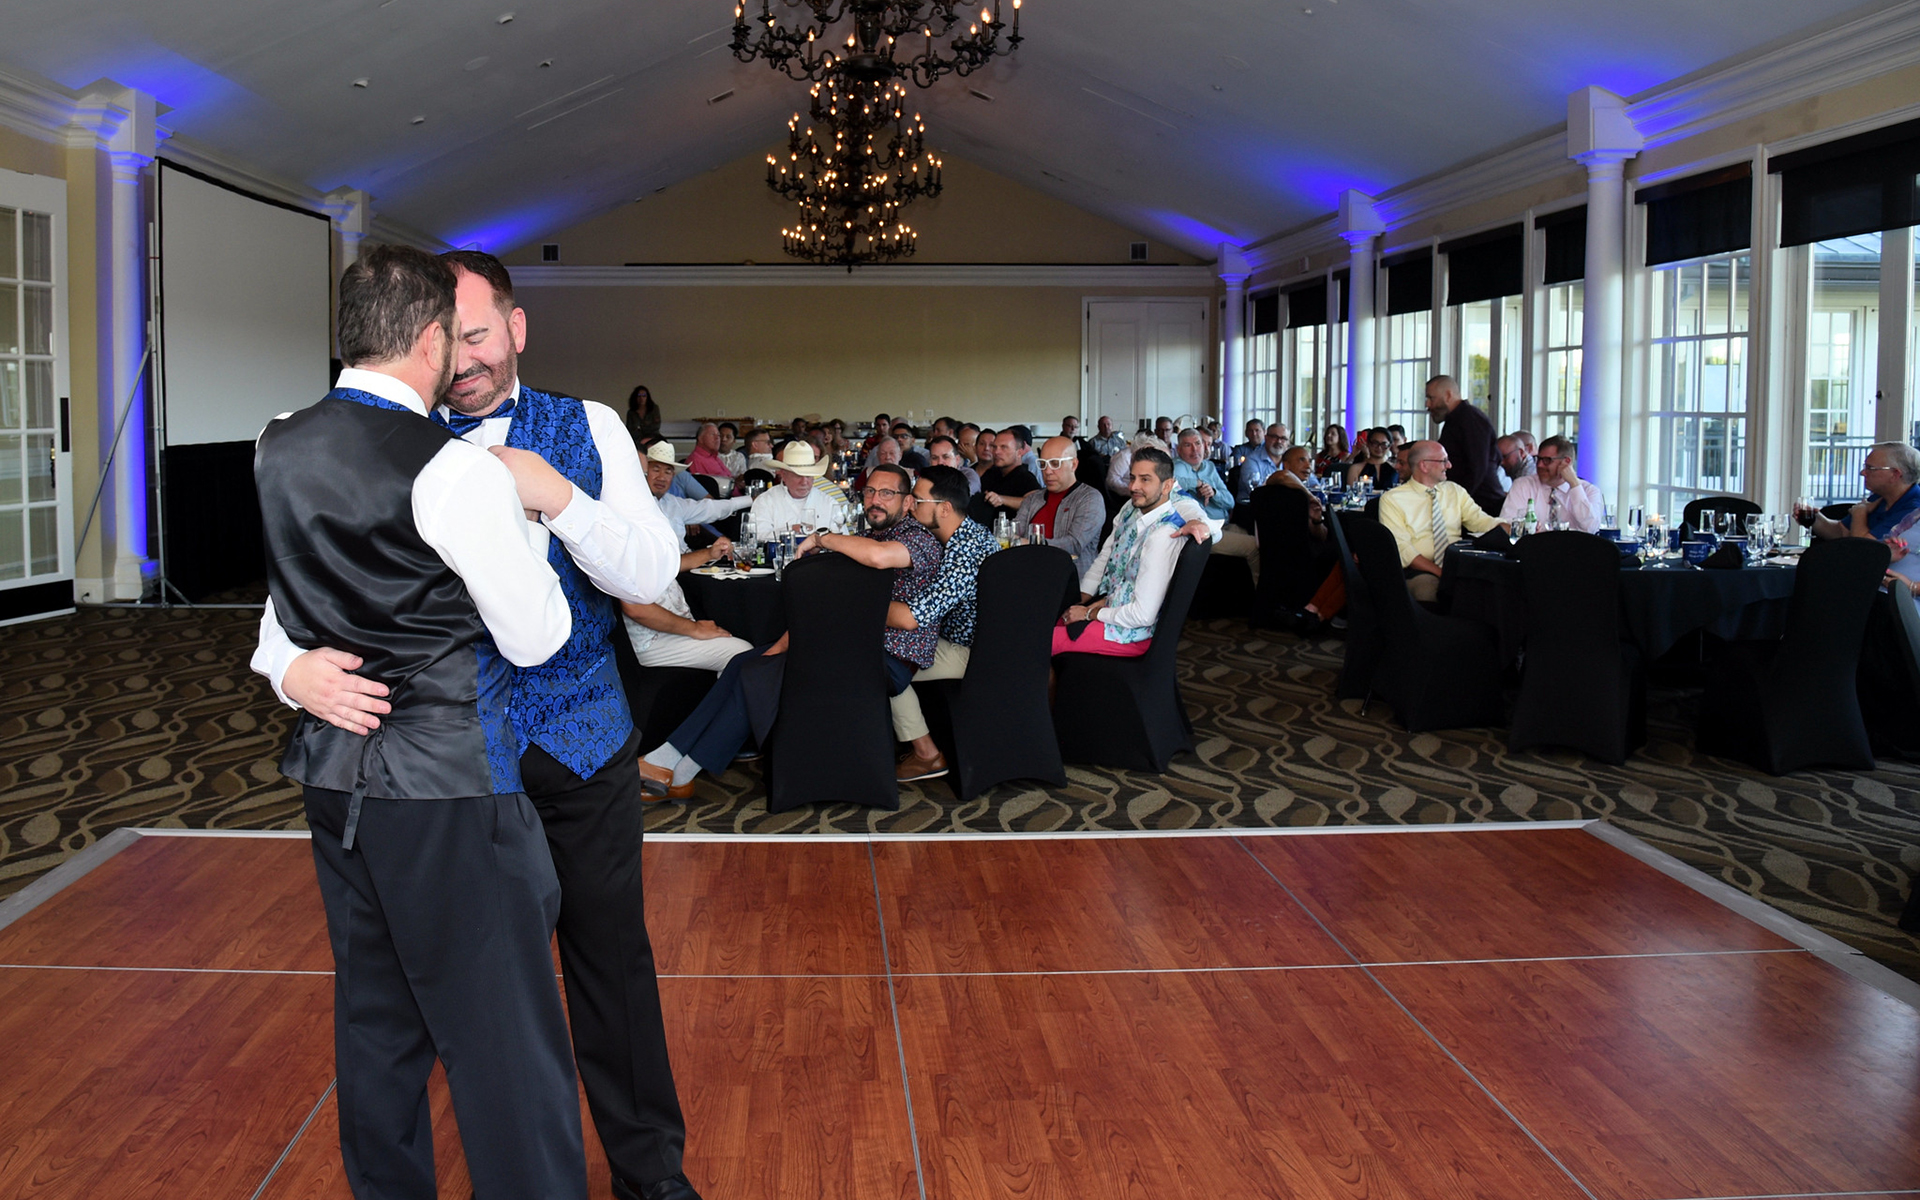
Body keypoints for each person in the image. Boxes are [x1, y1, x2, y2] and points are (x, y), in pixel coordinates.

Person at [260, 250, 703, 1200]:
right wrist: (287, 668)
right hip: (446, 774)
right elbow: (292, 600)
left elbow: (651, 574)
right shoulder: (389, 436)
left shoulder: (588, 426)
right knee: (453, 1006)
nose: (464, 361)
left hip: (576, 743)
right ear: (420, 338)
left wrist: (560, 499)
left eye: (478, 335)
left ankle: (651, 1176)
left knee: (609, 968)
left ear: (515, 326)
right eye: (449, 340)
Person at [638, 463, 942, 793]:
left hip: (889, 657)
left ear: (907, 502)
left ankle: (676, 767)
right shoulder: (869, 536)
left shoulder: (918, 539)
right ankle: (673, 763)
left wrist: (823, 538)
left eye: (886, 493)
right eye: (869, 491)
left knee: (760, 672)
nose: (875, 500)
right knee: (744, 663)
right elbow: (834, 602)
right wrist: (786, 642)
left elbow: (879, 559)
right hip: (851, 644)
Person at [1056, 447, 1194, 657]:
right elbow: (1110, 561)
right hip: (1115, 614)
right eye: (1132, 478)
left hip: (1131, 634)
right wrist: (1087, 603)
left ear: (1167, 486)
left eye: (1145, 479)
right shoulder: (1134, 512)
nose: (1133, 486)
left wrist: (1089, 613)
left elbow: (1142, 615)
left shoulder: (1162, 535)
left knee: (1038, 642)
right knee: (1046, 623)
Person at [1380, 440, 1507, 603]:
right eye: (1443, 461)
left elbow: (1480, 521)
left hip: (1458, 564)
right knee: (1430, 590)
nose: (1449, 465)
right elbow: (1403, 550)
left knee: (1496, 587)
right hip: (1418, 569)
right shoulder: (1393, 499)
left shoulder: (1454, 491)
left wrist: (1510, 527)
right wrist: (1443, 573)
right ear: (1424, 465)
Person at [1016, 436, 1106, 573]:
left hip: (1071, 577)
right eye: (1043, 464)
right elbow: (1014, 533)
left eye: (1055, 463)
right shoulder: (1033, 499)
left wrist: (1032, 543)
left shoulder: (1090, 498)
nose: (1047, 471)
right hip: (1028, 572)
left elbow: (1074, 544)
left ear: (1073, 464)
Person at [1801, 442, 1920, 541]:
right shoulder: (1879, 497)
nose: (1862, 473)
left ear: (1895, 474)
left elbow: (1862, 550)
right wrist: (1815, 518)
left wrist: (1859, 513)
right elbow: (1842, 532)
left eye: (1870, 468)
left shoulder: (1914, 509)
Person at [1425, 374, 1504, 516]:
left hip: (1482, 507)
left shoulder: (1470, 419)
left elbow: (1477, 468)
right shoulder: (1457, 421)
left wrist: (1457, 503)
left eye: (1431, 398)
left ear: (1448, 395)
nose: (1427, 405)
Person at [1501, 434, 1602, 532]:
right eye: (1538, 459)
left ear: (1566, 462)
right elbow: (1507, 524)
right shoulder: (1523, 485)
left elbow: (1591, 528)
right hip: (1532, 543)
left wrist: (1574, 484)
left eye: (1547, 460)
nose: (1539, 465)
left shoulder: (1590, 491)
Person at [751, 441, 842, 533]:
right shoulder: (765, 501)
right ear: (783, 475)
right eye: (798, 476)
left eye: (808, 476)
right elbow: (757, 535)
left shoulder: (829, 503)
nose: (804, 482)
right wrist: (789, 530)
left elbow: (841, 536)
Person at [979, 428, 1042, 517]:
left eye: (1004, 447)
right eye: (994, 447)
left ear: (1019, 452)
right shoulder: (990, 474)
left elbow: (1035, 504)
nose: (996, 452)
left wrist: (1002, 499)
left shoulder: (1026, 478)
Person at [1173, 428, 1232, 523]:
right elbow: (1171, 484)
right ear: (1179, 450)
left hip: (1224, 523)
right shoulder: (1178, 466)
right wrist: (1197, 483)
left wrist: (1214, 493)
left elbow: (1230, 502)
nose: (1194, 449)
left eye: (1198, 443)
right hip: (1202, 527)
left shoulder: (1209, 466)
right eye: (1188, 445)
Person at [1234, 426, 1287, 504]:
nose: (1279, 441)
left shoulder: (1291, 460)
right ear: (1266, 438)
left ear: (1288, 442)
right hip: (1251, 507)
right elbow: (1257, 493)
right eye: (1274, 437)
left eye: (1283, 438)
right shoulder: (1252, 460)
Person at [624, 383, 661, 449]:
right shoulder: (631, 413)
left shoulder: (654, 409)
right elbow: (630, 430)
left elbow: (656, 426)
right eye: (639, 396)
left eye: (644, 396)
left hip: (653, 439)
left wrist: (642, 430)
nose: (641, 398)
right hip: (637, 441)